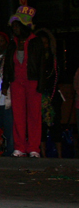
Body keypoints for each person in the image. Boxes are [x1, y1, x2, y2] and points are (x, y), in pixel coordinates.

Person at [2, 6, 45, 158]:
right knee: (18, 115)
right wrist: (5, 83)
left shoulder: (36, 42)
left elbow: (41, 65)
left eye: (17, 25)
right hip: (16, 82)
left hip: (33, 81)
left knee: (34, 115)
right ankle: (19, 147)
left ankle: (33, 147)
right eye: (13, 26)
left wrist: (41, 84)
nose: (14, 29)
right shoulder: (13, 43)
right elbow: (7, 65)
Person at [37, 28, 62, 158]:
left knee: (55, 125)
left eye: (46, 43)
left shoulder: (53, 59)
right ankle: (43, 154)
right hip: (39, 96)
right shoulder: (34, 60)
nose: (44, 46)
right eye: (41, 43)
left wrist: (50, 98)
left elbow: (56, 78)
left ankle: (60, 155)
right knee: (40, 127)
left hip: (52, 96)